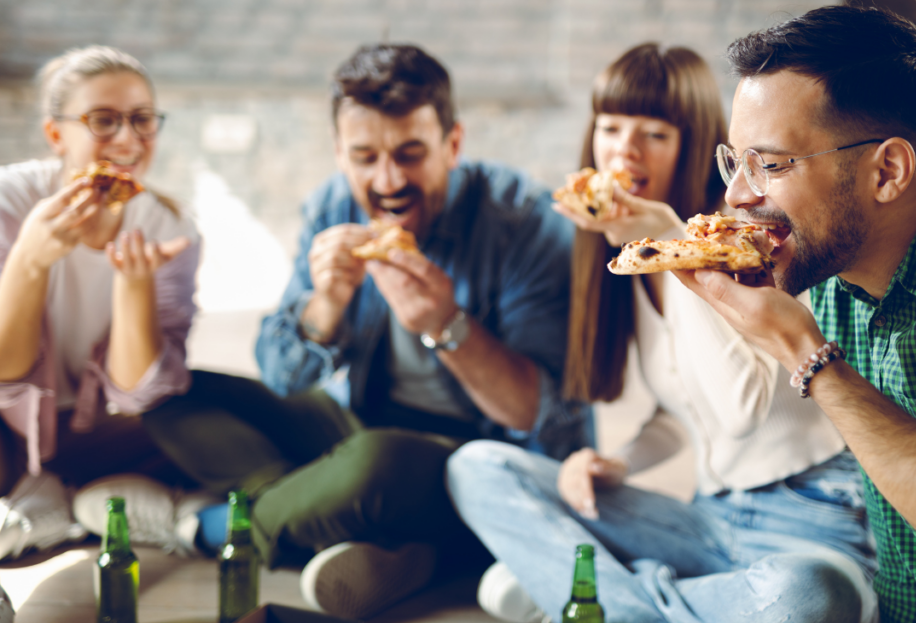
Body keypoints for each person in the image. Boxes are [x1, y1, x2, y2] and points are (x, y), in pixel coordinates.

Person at [137, 43, 586, 619]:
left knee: (377, 462)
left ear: (453, 145)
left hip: (478, 458)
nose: (388, 179)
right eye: (365, 156)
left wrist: (445, 326)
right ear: (339, 153)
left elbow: (541, 418)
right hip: (355, 424)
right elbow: (281, 376)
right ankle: (364, 530)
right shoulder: (333, 206)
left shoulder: (525, 225)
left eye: (410, 153)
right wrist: (326, 306)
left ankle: (216, 526)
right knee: (171, 391)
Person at [446, 43, 877, 623]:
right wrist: (617, 462)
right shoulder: (627, 265)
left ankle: (610, 601)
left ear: (691, 146)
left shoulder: (754, 246)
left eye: (654, 133)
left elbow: (740, 411)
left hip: (812, 519)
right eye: (612, 126)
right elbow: (681, 415)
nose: (625, 148)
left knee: (810, 598)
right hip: (709, 520)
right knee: (477, 468)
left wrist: (676, 244)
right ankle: (654, 599)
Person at [673, 4, 916, 622]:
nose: (736, 196)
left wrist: (811, 360)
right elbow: (908, 566)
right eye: (737, 161)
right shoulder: (838, 280)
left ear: (887, 170)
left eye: (771, 164)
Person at [0, 46, 200, 560]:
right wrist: (29, 261)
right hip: (6, 424)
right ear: (56, 134)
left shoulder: (170, 228)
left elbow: (137, 395)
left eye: (143, 121)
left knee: (203, 418)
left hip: (96, 430)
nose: (129, 140)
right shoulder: (9, 201)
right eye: (104, 121)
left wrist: (134, 284)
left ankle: (78, 507)